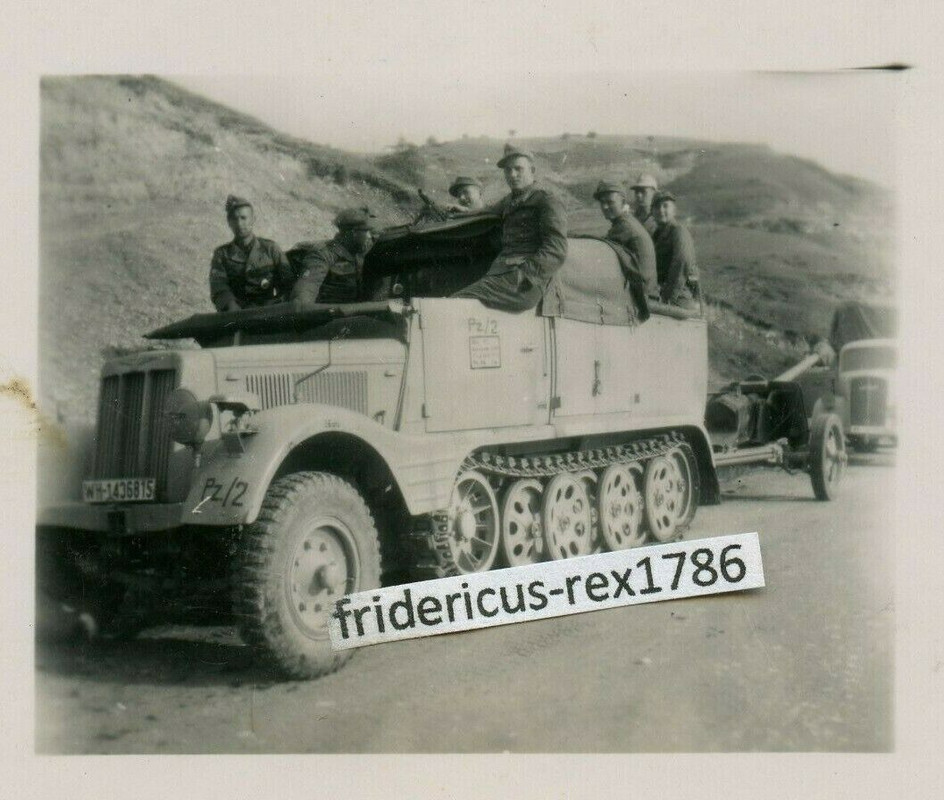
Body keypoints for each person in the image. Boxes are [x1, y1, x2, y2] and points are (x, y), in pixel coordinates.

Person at [453, 144, 567, 312]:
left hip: (526, 282)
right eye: (508, 170)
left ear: (532, 170)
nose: (512, 175)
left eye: (518, 169)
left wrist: (526, 276)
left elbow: (556, 249)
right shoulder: (510, 200)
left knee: (456, 301)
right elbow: (487, 211)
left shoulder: (547, 200)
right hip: (503, 274)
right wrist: (461, 213)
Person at [209, 195, 294, 312]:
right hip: (235, 313)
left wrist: (278, 304)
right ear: (229, 223)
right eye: (234, 219)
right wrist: (231, 306)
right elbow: (218, 287)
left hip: (268, 312)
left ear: (253, 219)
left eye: (243, 218)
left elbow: (288, 284)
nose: (239, 223)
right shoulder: (222, 254)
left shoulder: (270, 249)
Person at [289, 207, 379, 305]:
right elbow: (304, 297)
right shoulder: (322, 255)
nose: (370, 238)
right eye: (367, 232)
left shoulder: (360, 250)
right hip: (330, 316)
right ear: (354, 232)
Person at [593, 179, 658, 298]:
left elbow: (601, 254)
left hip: (642, 296)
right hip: (642, 290)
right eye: (602, 202)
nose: (605, 207)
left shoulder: (625, 226)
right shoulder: (625, 222)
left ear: (623, 202)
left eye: (610, 202)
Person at [651, 191, 700, 309]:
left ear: (674, 210)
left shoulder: (678, 231)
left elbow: (681, 263)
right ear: (652, 212)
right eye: (657, 207)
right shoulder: (657, 235)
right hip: (662, 294)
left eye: (665, 206)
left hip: (679, 297)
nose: (661, 210)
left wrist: (668, 297)